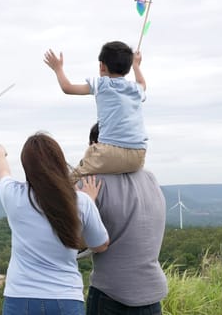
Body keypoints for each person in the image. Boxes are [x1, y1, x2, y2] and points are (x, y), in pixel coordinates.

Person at [0, 132, 109, 315]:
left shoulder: (13, 195)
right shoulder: (81, 202)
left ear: (27, 167)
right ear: (59, 162)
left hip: (20, 298)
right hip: (65, 299)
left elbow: (4, 173)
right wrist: (90, 202)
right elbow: (101, 244)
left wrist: (0, 155)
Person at [78, 124, 168, 315]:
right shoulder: (151, 179)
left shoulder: (91, 182)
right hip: (151, 293)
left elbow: (77, 243)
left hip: (110, 293)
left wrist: (87, 203)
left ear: (95, 146)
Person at [43, 41, 148, 181]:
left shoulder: (102, 84)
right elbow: (142, 83)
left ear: (102, 66)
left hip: (110, 152)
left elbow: (67, 88)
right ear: (128, 68)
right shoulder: (135, 89)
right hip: (138, 155)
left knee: (72, 180)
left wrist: (58, 69)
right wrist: (136, 66)